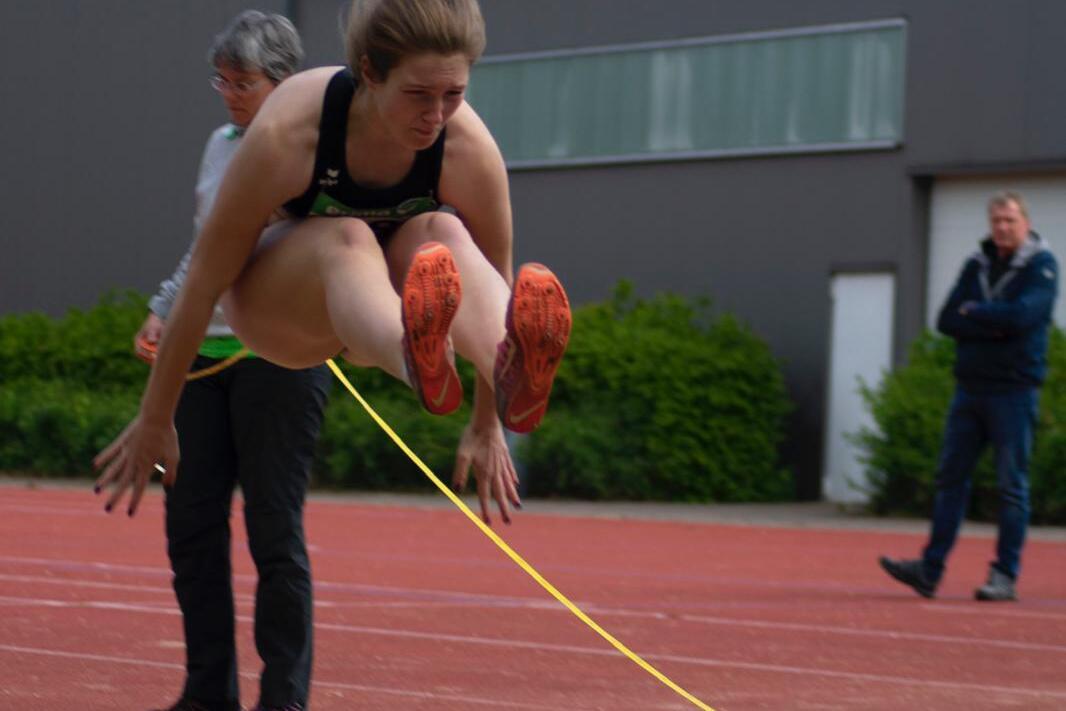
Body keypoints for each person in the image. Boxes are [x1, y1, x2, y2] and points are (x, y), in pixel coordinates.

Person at [95, 0, 569, 582]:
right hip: (278, 310)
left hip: (380, 302)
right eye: (419, 95)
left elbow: (496, 273)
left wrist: (487, 421)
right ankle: (416, 357)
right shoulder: (289, 132)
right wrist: (155, 415)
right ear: (369, 72)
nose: (436, 115)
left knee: (441, 233)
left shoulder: (467, 148)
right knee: (344, 235)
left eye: (454, 94)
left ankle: (500, 365)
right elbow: (203, 284)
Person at [132, 12, 328, 711]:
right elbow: (208, 240)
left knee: (275, 531)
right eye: (223, 79)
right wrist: (165, 305)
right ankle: (206, 690)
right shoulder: (219, 144)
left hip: (280, 356)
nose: (229, 93)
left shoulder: (316, 148)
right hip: (200, 356)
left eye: (243, 81)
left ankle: (284, 698)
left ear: (285, 82)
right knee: (188, 523)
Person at [879, 190, 1057, 602]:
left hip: (1013, 392)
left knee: (1012, 486)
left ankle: (1004, 575)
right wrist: (992, 323)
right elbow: (945, 319)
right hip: (970, 390)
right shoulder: (976, 264)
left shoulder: (1042, 267)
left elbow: (1024, 317)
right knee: (949, 480)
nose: (1001, 228)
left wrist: (974, 313)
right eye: (996, 220)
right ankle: (930, 569)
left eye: (1009, 220)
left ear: (1025, 223)